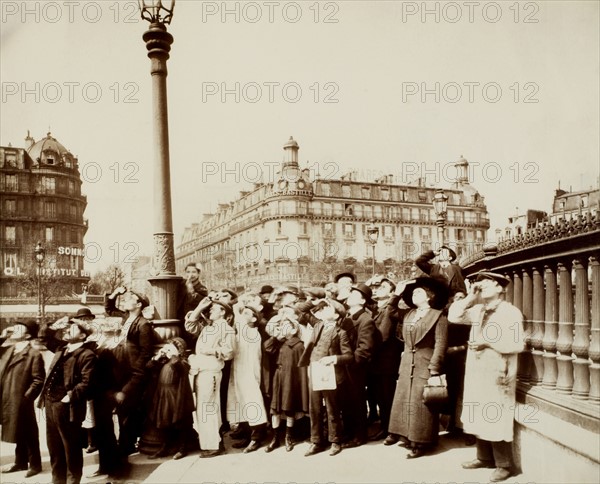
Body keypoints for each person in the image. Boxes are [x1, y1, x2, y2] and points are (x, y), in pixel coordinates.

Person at [448, 271, 525, 483]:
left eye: (489, 283)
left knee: (496, 415)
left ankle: (504, 465)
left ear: (501, 288)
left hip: (498, 370)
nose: (482, 286)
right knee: (478, 411)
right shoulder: (478, 309)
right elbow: (453, 316)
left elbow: (517, 344)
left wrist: (489, 343)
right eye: (480, 283)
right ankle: (484, 457)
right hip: (477, 370)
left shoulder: (510, 312)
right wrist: (470, 298)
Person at [386, 277, 449, 458]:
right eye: (413, 293)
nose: (415, 295)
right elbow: (390, 311)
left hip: (425, 364)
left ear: (430, 296)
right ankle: (406, 436)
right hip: (407, 364)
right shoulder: (409, 315)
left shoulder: (438, 315)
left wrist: (434, 368)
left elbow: (440, 343)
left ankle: (422, 442)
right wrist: (396, 294)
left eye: (419, 292)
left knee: (423, 404)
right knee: (406, 400)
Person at [39, 318, 96, 484]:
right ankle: (57, 480)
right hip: (51, 403)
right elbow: (45, 337)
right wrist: (54, 326)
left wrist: (69, 396)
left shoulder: (87, 354)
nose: (67, 330)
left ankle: (73, 481)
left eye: (73, 328)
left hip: (68, 406)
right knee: (54, 446)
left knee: (71, 447)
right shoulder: (62, 348)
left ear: (83, 335)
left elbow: (87, 382)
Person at [298, 299, 353, 457]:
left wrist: (334, 359)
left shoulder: (341, 333)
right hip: (315, 371)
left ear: (336, 315)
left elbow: (349, 356)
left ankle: (335, 440)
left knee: (332, 408)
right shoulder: (318, 325)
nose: (322, 309)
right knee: (314, 408)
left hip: (331, 374)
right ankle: (316, 441)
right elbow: (301, 309)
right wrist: (316, 300)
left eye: (327, 307)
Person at [105, 286, 155, 459]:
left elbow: (145, 352)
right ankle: (125, 443)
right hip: (120, 369)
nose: (126, 299)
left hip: (133, 373)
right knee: (122, 409)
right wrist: (114, 293)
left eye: (130, 298)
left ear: (139, 304)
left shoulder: (143, 324)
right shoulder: (126, 318)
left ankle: (128, 444)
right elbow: (109, 309)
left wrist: (136, 373)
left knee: (130, 408)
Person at [186, 300, 236, 458]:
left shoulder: (226, 329)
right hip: (202, 370)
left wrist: (211, 351)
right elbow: (190, 326)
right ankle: (210, 442)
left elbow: (229, 352)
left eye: (214, 309)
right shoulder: (208, 327)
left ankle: (213, 445)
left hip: (211, 371)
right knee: (205, 408)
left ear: (223, 312)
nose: (211, 311)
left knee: (209, 408)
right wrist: (199, 307)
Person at [0, 320, 45, 478]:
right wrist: (2, 336)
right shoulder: (9, 349)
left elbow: (38, 380)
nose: (14, 329)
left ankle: (35, 464)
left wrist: (26, 399)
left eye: (19, 328)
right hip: (7, 397)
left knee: (29, 432)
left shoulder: (33, 353)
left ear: (27, 335)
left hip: (21, 400)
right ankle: (20, 462)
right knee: (17, 429)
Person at [340, 283, 380, 448]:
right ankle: (348, 432)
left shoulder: (366, 320)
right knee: (346, 401)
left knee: (357, 402)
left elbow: (364, 349)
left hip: (355, 368)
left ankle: (359, 436)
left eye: (354, 294)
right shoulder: (348, 316)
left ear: (363, 301)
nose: (349, 296)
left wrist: (350, 363)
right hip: (345, 366)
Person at [265, 307, 309, 453]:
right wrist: (275, 337)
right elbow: (267, 348)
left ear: (293, 329)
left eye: (286, 326)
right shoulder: (278, 343)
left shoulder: (298, 346)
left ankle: (288, 436)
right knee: (275, 410)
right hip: (279, 379)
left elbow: (301, 370)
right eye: (280, 326)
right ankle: (275, 437)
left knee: (289, 408)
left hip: (291, 380)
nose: (282, 329)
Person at [145, 337, 196, 460]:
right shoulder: (164, 362)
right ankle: (165, 447)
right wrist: (157, 357)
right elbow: (149, 366)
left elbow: (180, 368)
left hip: (176, 396)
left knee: (180, 422)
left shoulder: (182, 362)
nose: (166, 351)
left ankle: (182, 448)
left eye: (170, 348)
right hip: (163, 394)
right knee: (164, 422)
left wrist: (173, 355)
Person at [227, 304, 268, 453]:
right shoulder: (242, 332)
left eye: (246, 314)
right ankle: (246, 434)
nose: (242, 316)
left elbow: (238, 320)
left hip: (249, 373)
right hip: (239, 371)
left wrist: (237, 308)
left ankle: (257, 437)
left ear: (253, 318)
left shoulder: (252, 332)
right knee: (241, 402)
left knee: (252, 402)